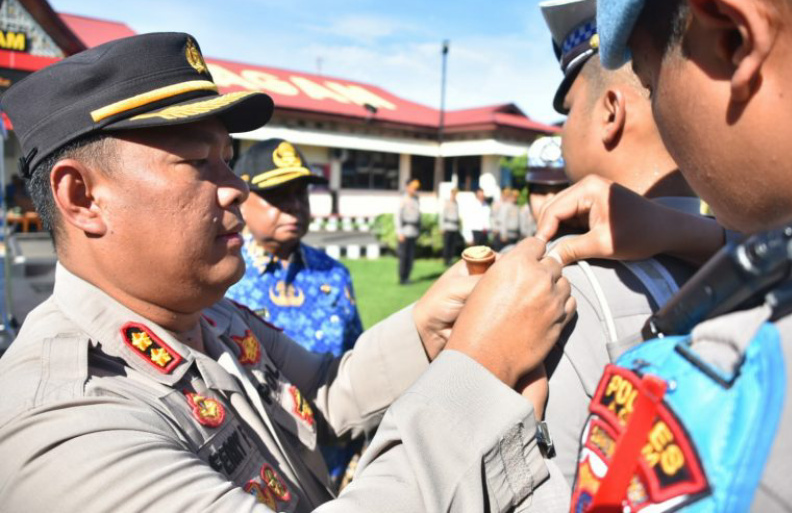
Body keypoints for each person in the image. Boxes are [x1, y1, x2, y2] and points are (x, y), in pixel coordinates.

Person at [0, 32, 576, 512]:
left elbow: (323, 394)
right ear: (81, 197)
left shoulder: (211, 319)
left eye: (228, 159)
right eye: (199, 162)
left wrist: (429, 326)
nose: (236, 188)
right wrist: (480, 370)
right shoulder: (64, 419)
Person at [536, 0, 792, 508]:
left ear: (732, 39)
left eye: (652, 84)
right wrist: (698, 235)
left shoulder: (571, 293)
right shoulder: (734, 249)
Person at [529, 0, 707, 485]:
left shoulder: (566, 291)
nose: (561, 134)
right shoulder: (758, 257)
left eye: (568, 113)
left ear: (610, 111)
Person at [225, 138, 364, 483]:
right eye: (278, 196)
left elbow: (355, 356)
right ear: (241, 200)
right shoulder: (225, 275)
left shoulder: (332, 273)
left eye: (301, 194)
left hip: (335, 460)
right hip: (262, 468)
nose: (294, 207)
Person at [394, 178, 421, 284]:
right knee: (403, 256)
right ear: (407, 187)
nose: (414, 190)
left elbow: (419, 216)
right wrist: (399, 232)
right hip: (404, 232)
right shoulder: (403, 199)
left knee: (411, 256)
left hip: (413, 231)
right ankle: (402, 277)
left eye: (415, 188)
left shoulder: (416, 199)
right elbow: (397, 217)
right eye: (412, 188)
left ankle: (408, 277)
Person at [439, 186, 461, 265]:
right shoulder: (447, 203)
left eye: (456, 193)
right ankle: (446, 260)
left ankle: (450, 259)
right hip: (448, 226)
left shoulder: (456, 203)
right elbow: (442, 216)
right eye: (454, 193)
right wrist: (442, 227)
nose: (455, 195)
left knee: (452, 245)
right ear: (451, 193)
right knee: (447, 245)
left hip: (454, 227)